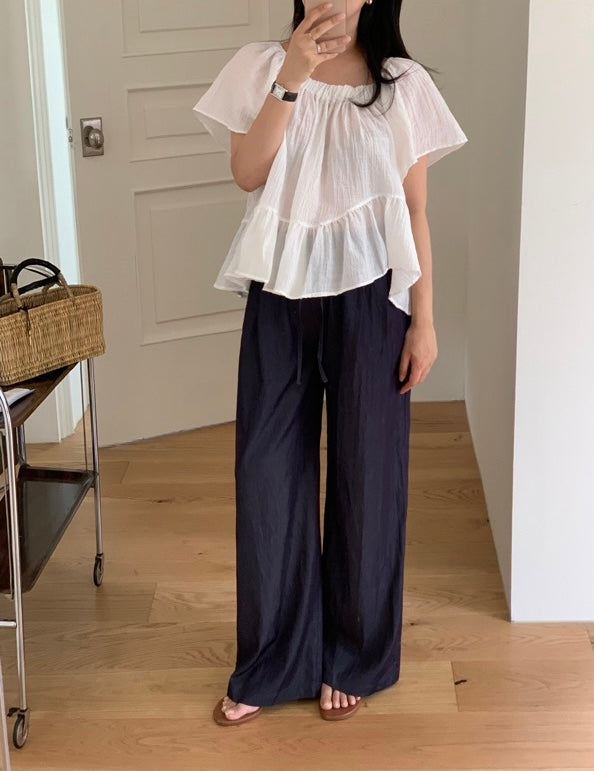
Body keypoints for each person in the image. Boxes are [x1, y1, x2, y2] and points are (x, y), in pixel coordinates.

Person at [193, 0, 467, 726]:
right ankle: (272, 659)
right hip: (280, 293)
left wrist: (425, 320)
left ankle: (354, 655)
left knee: (369, 475)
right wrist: (292, 72)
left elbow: (415, 209)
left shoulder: (401, 84)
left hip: (375, 298)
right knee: (265, 474)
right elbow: (248, 173)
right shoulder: (261, 65)